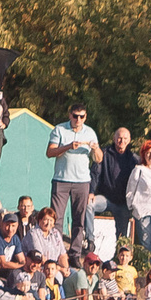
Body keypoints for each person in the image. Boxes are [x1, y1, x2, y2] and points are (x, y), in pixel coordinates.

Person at [46, 105, 101, 246]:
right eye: (75, 116)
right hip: (61, 180)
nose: (78, 119)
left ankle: (76, 252)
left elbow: (99, 159)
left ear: (85, 117)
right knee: (56, 219)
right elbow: (50, 153)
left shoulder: (90, 133)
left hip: (82, 182)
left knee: (79, 220)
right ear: (70, 115)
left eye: (81, 116)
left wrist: (96, 149)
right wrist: (68, 146)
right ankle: (57, 250)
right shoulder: (59, 129)